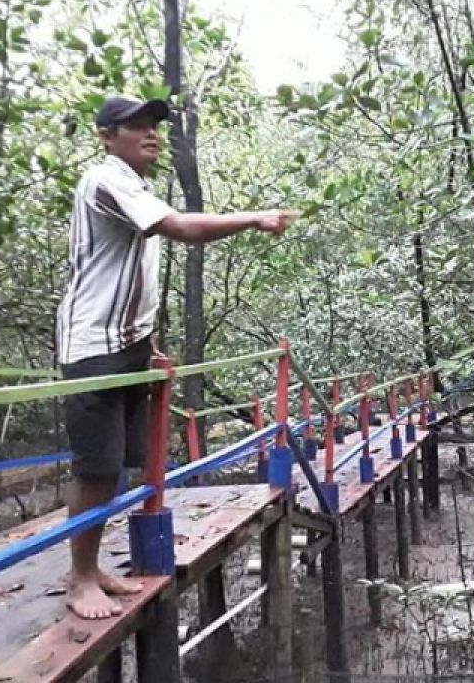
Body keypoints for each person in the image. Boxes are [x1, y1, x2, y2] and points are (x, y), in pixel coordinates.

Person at [56, 95, 297, 619]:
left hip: (125, 347)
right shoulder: (106, 178)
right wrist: (255, 217)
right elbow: (182, 229)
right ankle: (79, 578)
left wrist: (149, 344)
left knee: (120, 462)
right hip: (93, 346)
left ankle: (92, 566)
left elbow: (132, 278)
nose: (150, 134)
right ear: (105, 135)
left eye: (154, 127)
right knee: (96, 466)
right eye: (135, 126)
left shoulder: (135, 188)